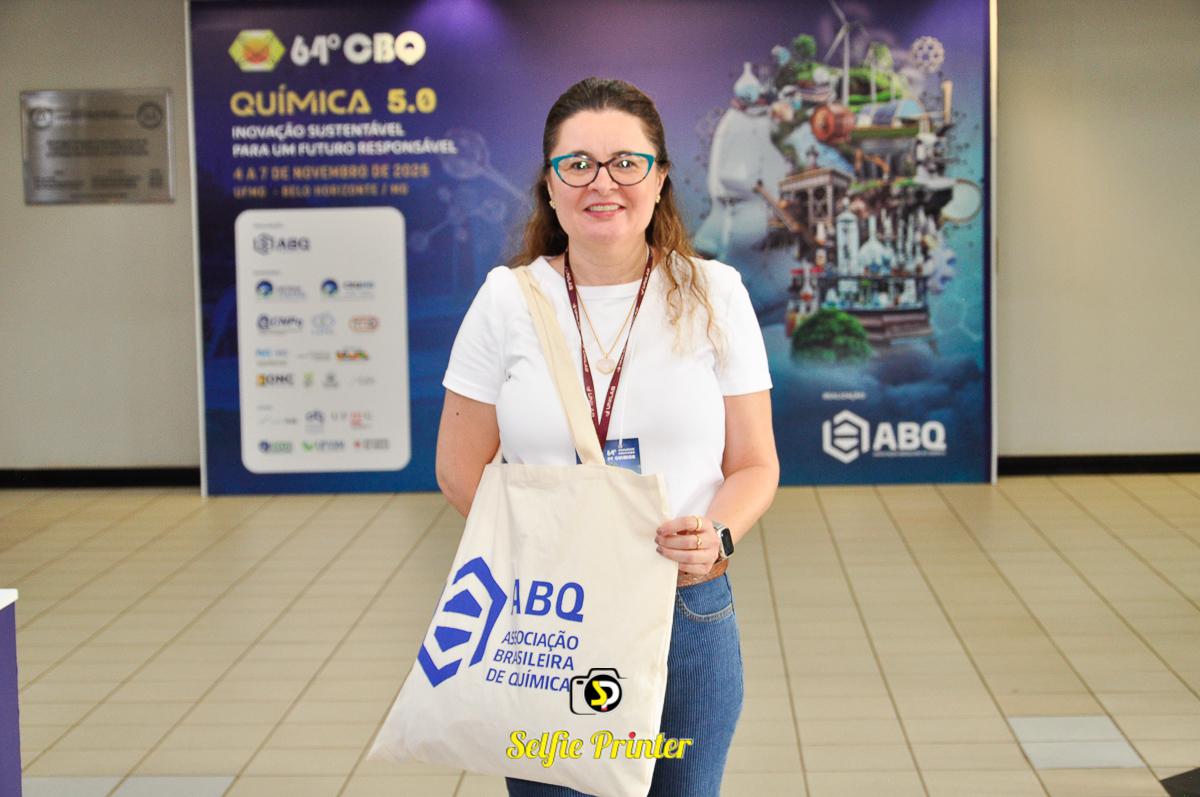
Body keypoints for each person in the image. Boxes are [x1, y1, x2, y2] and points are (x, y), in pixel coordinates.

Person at [435, 77, 780, 797]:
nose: (603, 182)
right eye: (578, 164)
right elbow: (459, 467)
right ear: (549, 184)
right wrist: (550, 547)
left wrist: (717, 535)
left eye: (626, 162)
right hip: (549, 614)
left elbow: (754, 463)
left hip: (684, 603)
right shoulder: (507, 300)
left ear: (659, 178)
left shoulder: (714, 293)